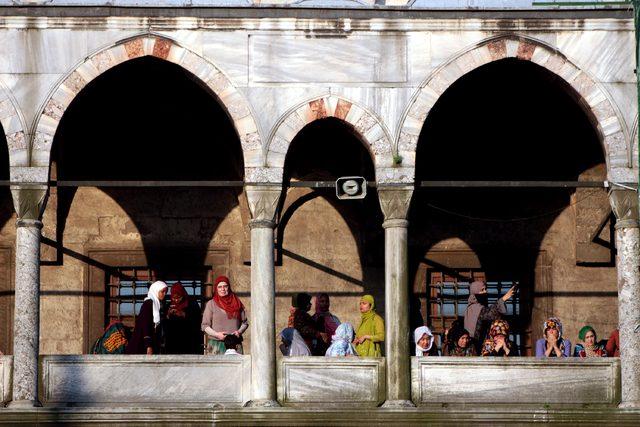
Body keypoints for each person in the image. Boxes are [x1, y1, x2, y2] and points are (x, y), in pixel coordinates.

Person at [202, 275, 248, 355]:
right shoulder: (211, 304)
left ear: (228, 287)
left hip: (234, 345)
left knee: (236, 367)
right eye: (220, 287)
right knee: (216, 367)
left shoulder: (237, 303)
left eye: (225, 286)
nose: (222, 289)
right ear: (216, 289)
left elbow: (245, 323)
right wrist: (217, 334)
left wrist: (239, 332)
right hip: (216, 344)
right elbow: (205, 326)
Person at [464, 281, 516, 352]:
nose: (485, 292)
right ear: (475, 291)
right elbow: (490, 314)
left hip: (481, 345)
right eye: (482, 290)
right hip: (475, 347)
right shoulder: (474, 308)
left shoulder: (478, 306)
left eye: (485, 289)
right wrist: (504, 299)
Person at [125, 281, 168, 355]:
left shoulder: (157, 305)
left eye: (165, 292)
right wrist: (148, 346)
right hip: (142, 345)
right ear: (156, 291)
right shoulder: (148, 304)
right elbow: (146, 325)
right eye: (162, 292)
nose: (164, 294)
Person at [163, 282, 202, 354]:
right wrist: (168, 315)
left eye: (179, 297)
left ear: (183, 295)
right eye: (174, 298)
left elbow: (198, 320)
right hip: (173, 343)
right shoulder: (169, 306)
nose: (176, 300)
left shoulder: (192, 304)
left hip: (189, 342)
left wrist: (184, 314)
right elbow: (163, 325)